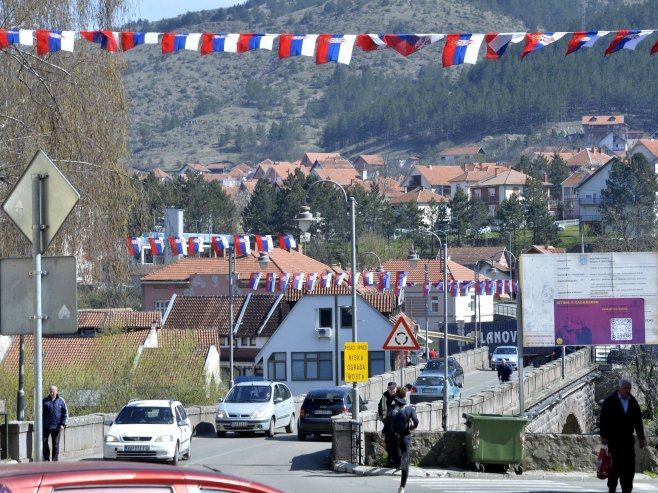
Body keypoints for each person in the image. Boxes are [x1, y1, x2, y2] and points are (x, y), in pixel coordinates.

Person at [600, 378, 645, 493]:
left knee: (629, 466)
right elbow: (604, 419)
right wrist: (604, 436)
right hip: (614, 439)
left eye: (629, 388)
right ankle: (612, 487)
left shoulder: (633, 402)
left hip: (628, 440)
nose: (627, 390)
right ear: (620, 388)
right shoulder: (610, 401)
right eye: (625, 388)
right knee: (616, 465)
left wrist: (641, 438)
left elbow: (638, 422)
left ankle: (627, 488)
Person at [393, 386, 419, 493]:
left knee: (398, 458)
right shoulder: (409, 409)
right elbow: (416, 421)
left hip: (395, 437)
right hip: (405, 438)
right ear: (405, 395)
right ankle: (402, 486)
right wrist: (412, 427)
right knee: (405, 462)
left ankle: (396, 464)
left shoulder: (393, 408)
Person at [42, 385, 68, 461]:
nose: (52, 393)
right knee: (44, 443)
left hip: (57, 427)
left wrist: (63, 424)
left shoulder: (61, 401)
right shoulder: (44, 401)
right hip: (46, 426)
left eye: (53, 391)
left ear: (57, 391)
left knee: (55, 445)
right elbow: (40, 414)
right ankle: (46, 459)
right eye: (51, 391)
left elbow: (65, 414)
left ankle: (54, 461)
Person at [377, 381, 398, 468]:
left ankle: (396, 462)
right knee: (388, 442)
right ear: (387, 389)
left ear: (396, 388)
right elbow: (380, 406)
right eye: (390, 389)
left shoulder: (398, 396)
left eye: (393, 389)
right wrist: (380, 414)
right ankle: (390, 461)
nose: (391, 390)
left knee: (396, 443)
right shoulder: (385, 396)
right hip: (387, 422)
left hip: (396, 423)